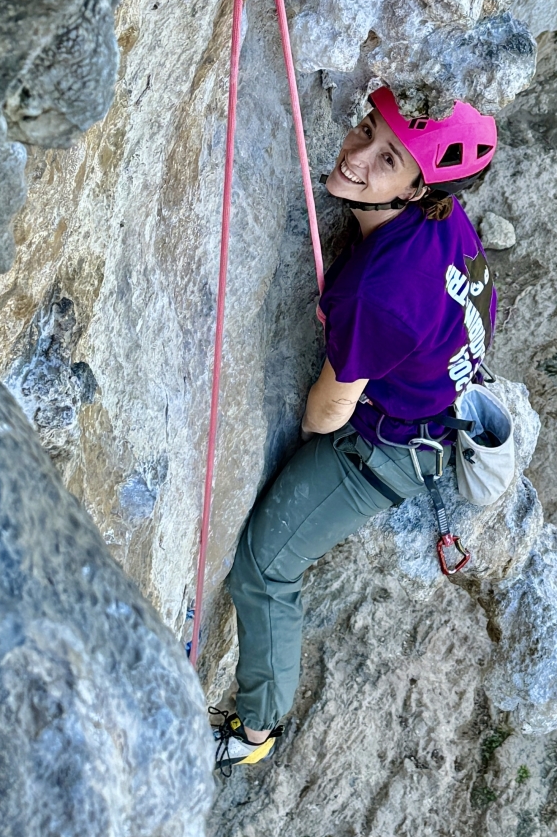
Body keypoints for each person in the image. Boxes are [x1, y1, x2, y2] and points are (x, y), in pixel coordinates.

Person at [211, 85, 498, 771]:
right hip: (440, 397)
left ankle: (255, 731)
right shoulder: (445, 217)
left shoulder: (378, 290)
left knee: (263, 566)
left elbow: (325, 414)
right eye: (367, 129)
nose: (358, 155)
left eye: (388, 156)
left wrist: (310, 454)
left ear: (414, 187)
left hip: (388, 448)